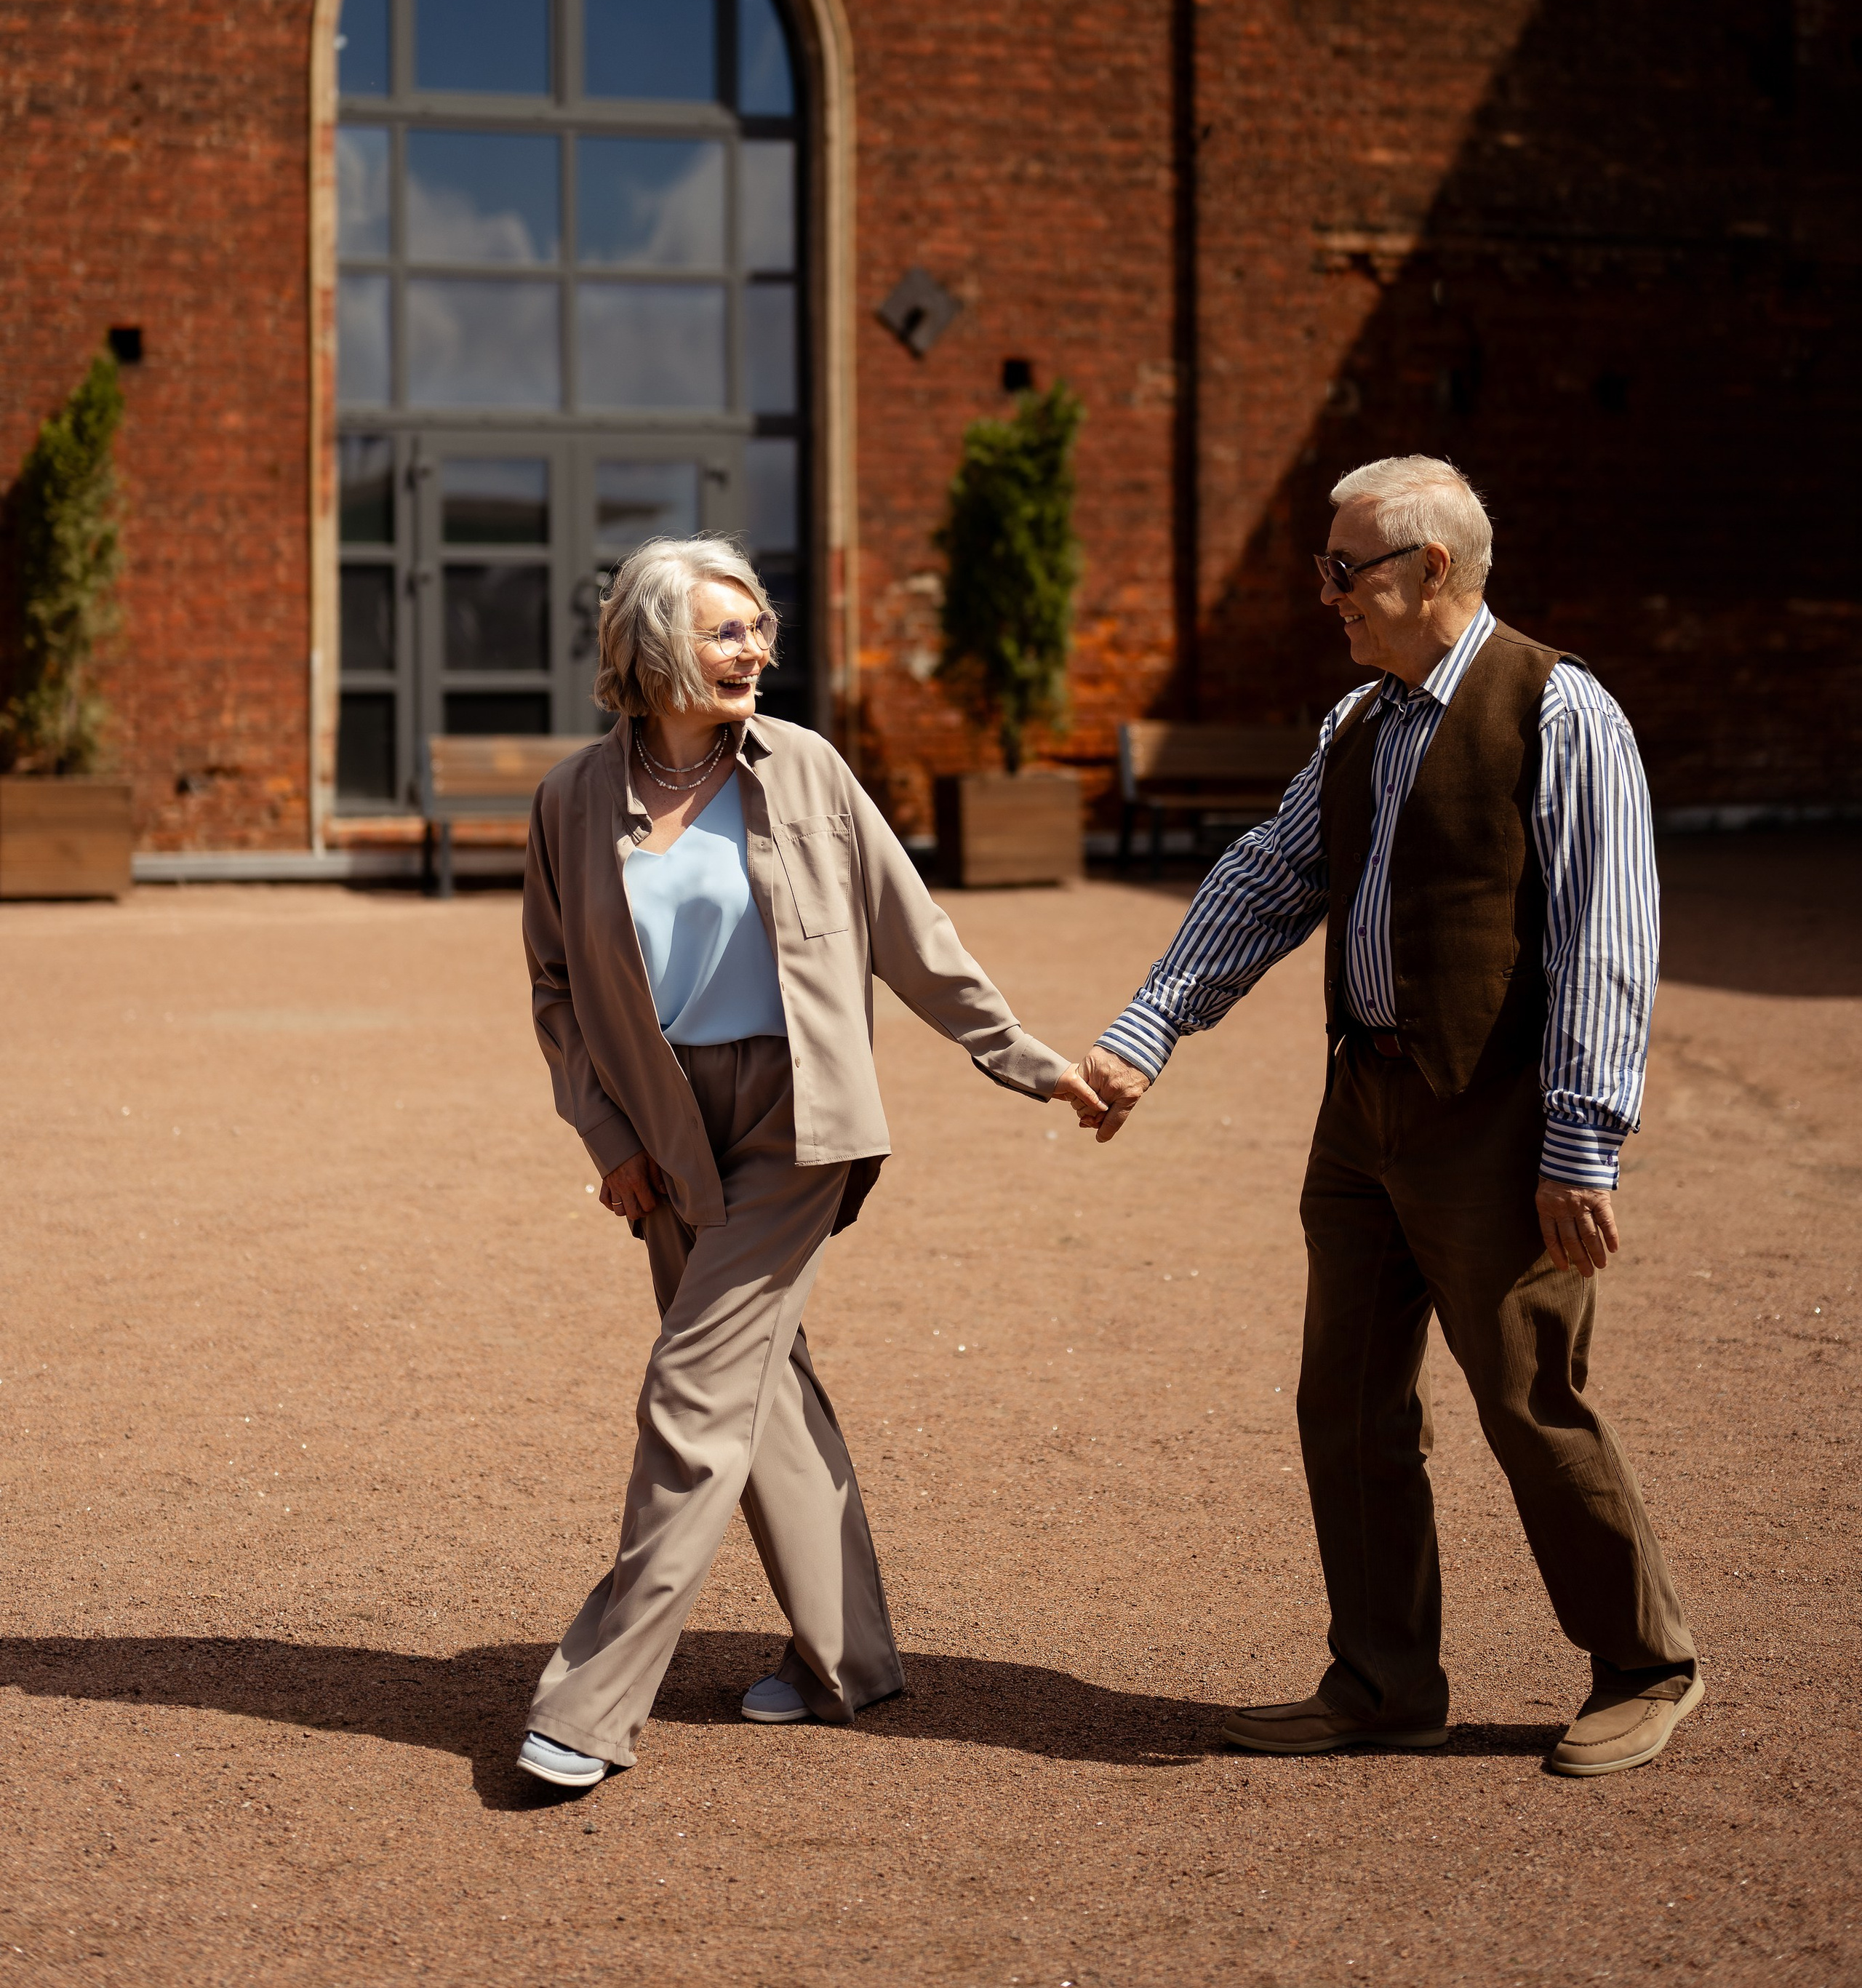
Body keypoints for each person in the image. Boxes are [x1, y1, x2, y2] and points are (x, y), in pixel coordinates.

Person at [1067, 455, 1703, 1779]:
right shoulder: (1361, 720)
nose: (1326, 594)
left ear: (1433, 570)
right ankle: (1383, 1680)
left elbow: (1607, 934)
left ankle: (1647, 1661)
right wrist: (1149, 1030)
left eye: (1342, 568)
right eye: (1325, 567)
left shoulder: (1561, 707)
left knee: (1530, 1396)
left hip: (1495, 1114)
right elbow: (1272, 873)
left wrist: (1582, 1139)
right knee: (1345, 1403)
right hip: (1361, 1108)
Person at [514, 534, 1094, 1791]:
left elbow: (910, 931)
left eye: (762, 628)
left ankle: (591, 1706)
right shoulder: (570, 799)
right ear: (657, 644)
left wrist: (1026, 1057)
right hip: (669, 1130)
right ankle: (851, 1661)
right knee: (760, 1383)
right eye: (730, 631)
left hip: (797, 1118)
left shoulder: (812, 771)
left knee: (694, 1393)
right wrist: (610, 1140)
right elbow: (557, 993)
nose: (758, 649)